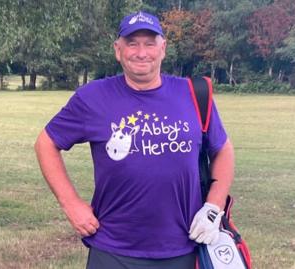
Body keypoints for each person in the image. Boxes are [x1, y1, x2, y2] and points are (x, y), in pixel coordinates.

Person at [34, 11, 235, 269]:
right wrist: (71, 203)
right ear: (118, 50)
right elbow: (46, 143)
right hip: (113, 248)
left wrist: (213, 206)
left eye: (150, 43)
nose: (142, 52)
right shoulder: (93, 97)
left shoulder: (194, 94)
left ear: (163, 49)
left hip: (184, 247)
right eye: (132, 43)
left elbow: (223, 150)